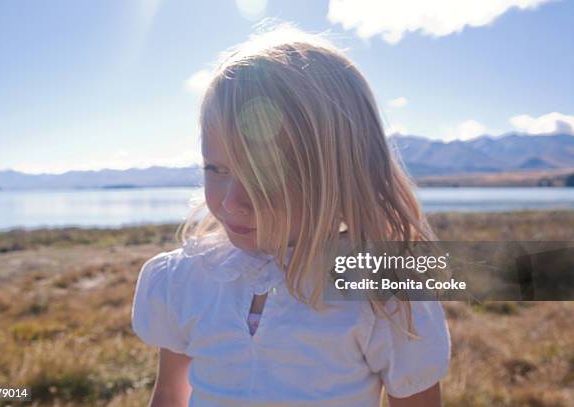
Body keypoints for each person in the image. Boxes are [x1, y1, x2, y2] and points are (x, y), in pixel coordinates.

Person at [131, 22, 451, 407]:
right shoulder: (187, 280)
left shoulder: (384, 293)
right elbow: (169, 393)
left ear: (340, 173)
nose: (232, 202)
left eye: (265, 177)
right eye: (216, 169)